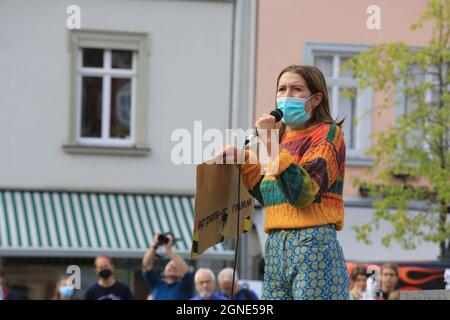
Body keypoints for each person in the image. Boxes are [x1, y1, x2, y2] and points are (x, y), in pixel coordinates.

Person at [219, 65, 350, 300]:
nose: (286, 95)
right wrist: (245, 161)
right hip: (276, 244)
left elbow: (302, 193)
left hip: (313, 242)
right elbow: (273, 196)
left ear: (315, 98)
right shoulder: (280, 139)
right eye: (282, 89)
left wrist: (268, 141)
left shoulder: (329, 135)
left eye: (296, 89)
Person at [142, 233, 194, 300]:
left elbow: (186, 272)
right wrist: (155, 245)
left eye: (175, 267)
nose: (172, 267)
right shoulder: (157, 284)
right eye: (170, 266)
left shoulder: (185, 286)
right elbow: (146, 266)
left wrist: (169, 250)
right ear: (164, 270)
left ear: (180, 273)